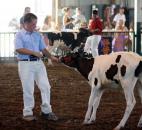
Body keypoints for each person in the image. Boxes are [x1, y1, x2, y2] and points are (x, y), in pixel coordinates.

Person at [15, 13, 59, 121]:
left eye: (35, 23)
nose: (35, 26)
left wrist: (51, 57)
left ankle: (46, 111)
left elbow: (43, 49)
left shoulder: (37, 35)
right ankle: (28, 112)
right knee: (28, 88)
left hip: (38, 63)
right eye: (33, 24)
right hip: (25, 63)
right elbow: (19, 49)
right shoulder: (19, 35)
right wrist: (34, 53)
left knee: (45, 86)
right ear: (26, 23)